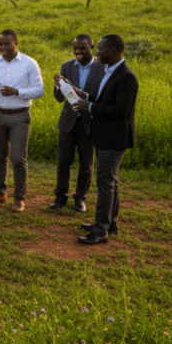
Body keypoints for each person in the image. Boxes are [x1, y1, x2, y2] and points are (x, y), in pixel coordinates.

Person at [73, 34, 138, 245]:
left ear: (112, 50)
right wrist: (83, 95)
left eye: (99, 48)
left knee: (105, 183)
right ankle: (111, 223)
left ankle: (100, 230)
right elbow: (103, 99)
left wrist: (89, 107)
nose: (97, 52)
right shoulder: (109, 72)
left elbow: (120, 111)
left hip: (114, 137)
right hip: (103, 135)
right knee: (112, 181)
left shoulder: (126, 77)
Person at [0, 30, 44, 213]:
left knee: (18, 158)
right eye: (0, 44)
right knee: (0, 157)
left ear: (16, 42)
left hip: (20, 116)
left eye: (7, 44)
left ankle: (19, 198)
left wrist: (18, 92)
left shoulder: (29, 63)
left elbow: (39, 90)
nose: (3, 47)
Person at [50, 34, 105, 213]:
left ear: (92, 46)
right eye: (75, 49)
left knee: (86, 164)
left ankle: (80, 198)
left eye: (82, 49)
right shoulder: (66, 66)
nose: (78, 52)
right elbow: (59, 98)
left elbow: (101, 97)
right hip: (68, 122)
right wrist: (58, 86)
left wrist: (78, 92)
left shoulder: (102, 68)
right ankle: (60, 197)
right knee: (63, 161)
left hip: (89, 122)